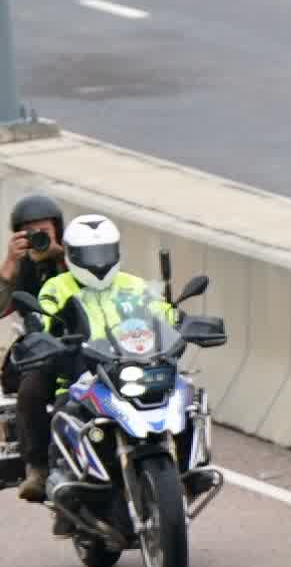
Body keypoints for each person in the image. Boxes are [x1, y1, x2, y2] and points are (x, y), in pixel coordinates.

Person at [19, 214, 176, 503]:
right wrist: (46, 332)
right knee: (64, 411)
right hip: (82, 373)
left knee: (186, 396)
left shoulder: (134, 285)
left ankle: (190, 463)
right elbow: (44, 315)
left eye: (104, 252)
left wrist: (179, 321)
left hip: (132, 367)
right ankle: (49, 475)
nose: (98, 261)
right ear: (71, 255)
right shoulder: (57, 287)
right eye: (89, 254)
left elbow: (162, 313)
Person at [0, 192, 70, 503]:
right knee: (31, 390)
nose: (37, 238)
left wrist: (61, 258)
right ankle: (39, 469)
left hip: (84, 342)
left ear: (58, 229)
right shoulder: (19, 269)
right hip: (40, 349)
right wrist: (10, 263)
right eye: (29, 232)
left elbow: (99, 287)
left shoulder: (79, 259)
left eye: (43, 230)